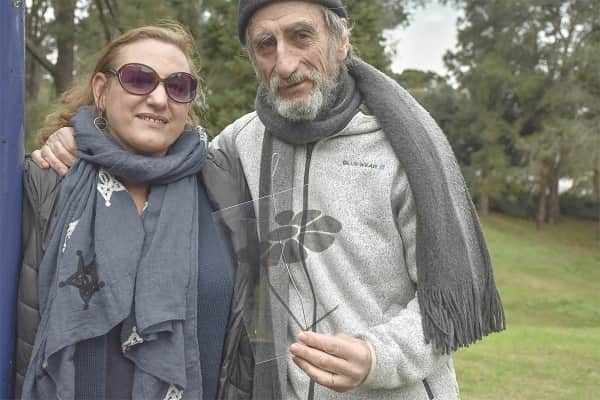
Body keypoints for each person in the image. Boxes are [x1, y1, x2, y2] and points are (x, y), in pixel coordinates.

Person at [33, 1, 506, 399]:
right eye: (265, 45)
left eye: (301, 37)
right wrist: (83, 141)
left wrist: (377, 356)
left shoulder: (403, 150)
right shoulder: (239, 145)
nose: (284, 63)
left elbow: (446, 306)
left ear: (341, 41)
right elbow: (162, 152)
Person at [16, 24, 236, 400]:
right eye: (138, 79)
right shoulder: (45, 182)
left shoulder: (222, 185)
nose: (159, 99)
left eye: (178, 86)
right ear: (102, 90)